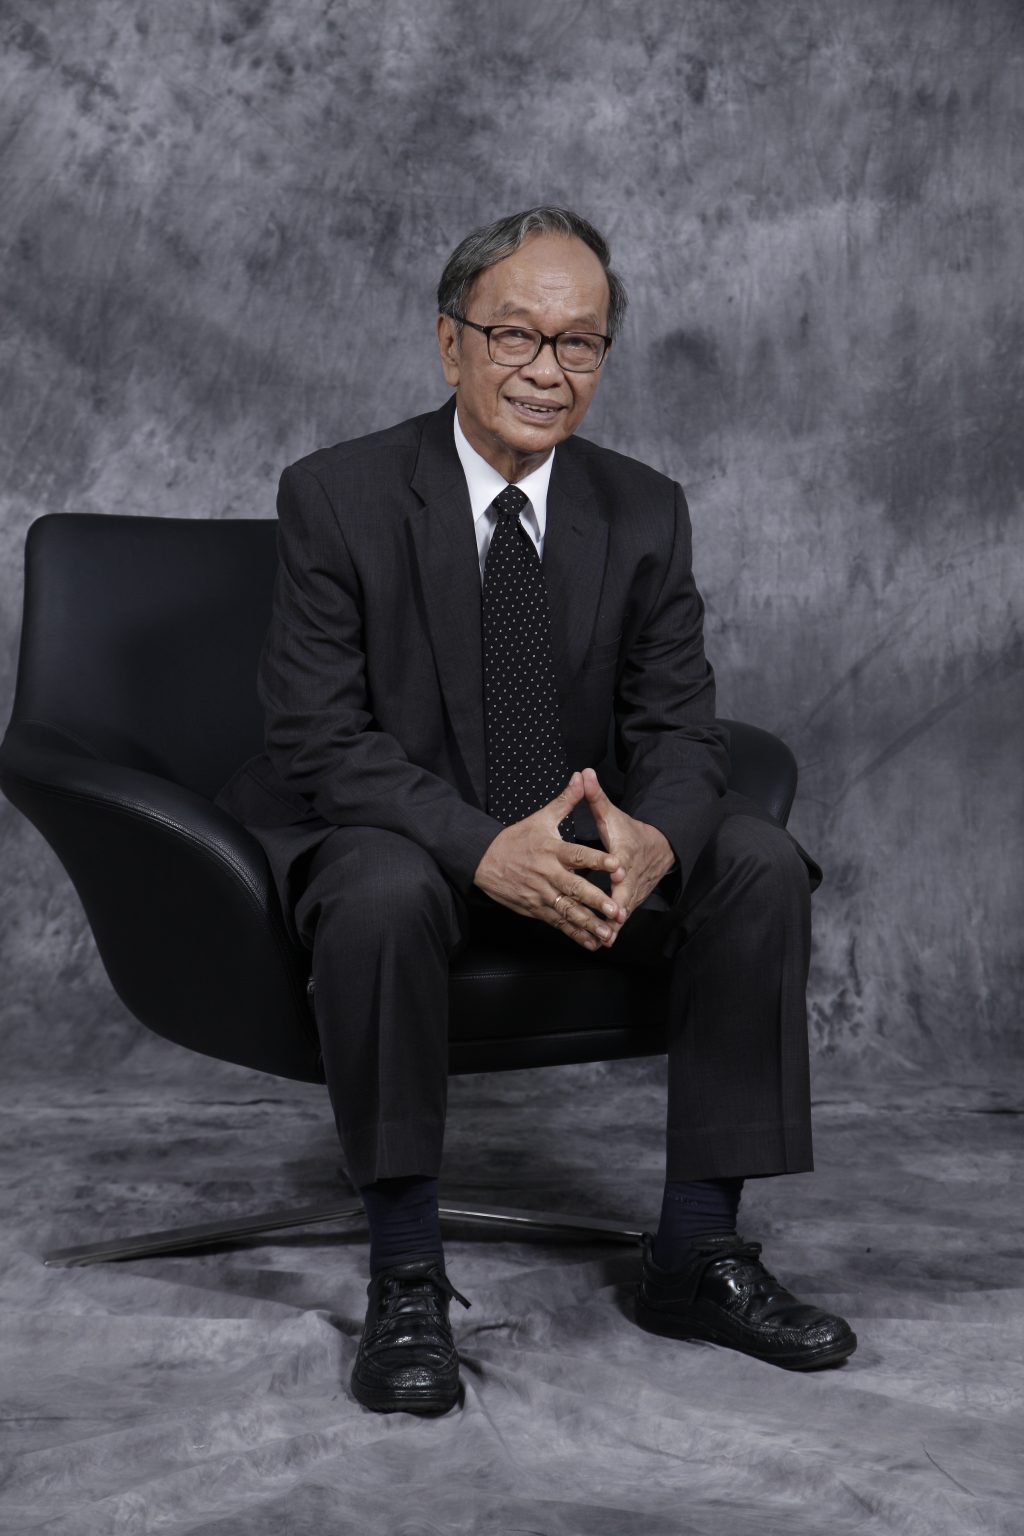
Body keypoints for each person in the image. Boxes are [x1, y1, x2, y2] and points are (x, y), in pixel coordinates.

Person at [216, 205, 856, 1415]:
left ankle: (696, 1252)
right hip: (399, 834)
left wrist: (655, 838)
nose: (546, 371)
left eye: (579, 343)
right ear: (449, 343)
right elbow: (316, 737)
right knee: (377, 888)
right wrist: (478, 846)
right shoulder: (338, 495)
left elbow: (680, 727)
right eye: (515, 335)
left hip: (576, 840)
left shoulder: (644, 509)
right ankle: (407, 1272)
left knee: (756, 859)